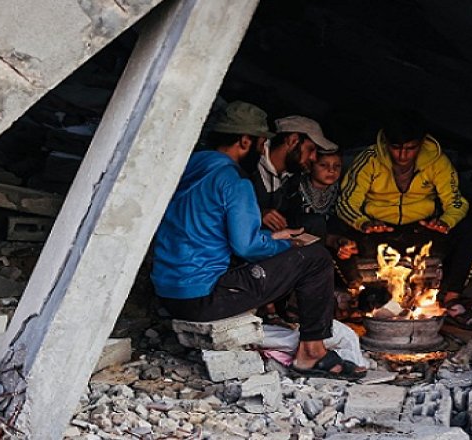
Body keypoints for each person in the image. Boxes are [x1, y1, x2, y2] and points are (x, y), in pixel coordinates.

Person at [151, 101, 365, 379]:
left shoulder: (189, 167)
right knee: (317, 259)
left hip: (170, 294)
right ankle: (312, 353)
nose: (263, 149)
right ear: (245, 141)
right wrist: (288, 245)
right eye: (261, 143)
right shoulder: (234, 180)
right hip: (205, 297)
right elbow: (247, 247)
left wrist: (273, 236)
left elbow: (210, 230)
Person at [336, 117, 472, 329]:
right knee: (336, 233)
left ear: (421, 143)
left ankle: (451, 299)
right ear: (386, 143)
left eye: (410, 148)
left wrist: (445, 222)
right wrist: (363, 223)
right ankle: (356, 297)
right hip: (377, 231)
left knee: (471, 230)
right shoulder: (369, 160)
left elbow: (456, 202)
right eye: (396, 148)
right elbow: (345, 203)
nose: (403, 155)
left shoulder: (437, 161)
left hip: (421, 230)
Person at [252, 116, 339, 232]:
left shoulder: (291, 178)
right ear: (293, 140)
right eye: (310, 149)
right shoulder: (251, 167)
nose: (313, 158)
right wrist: (258, 214)